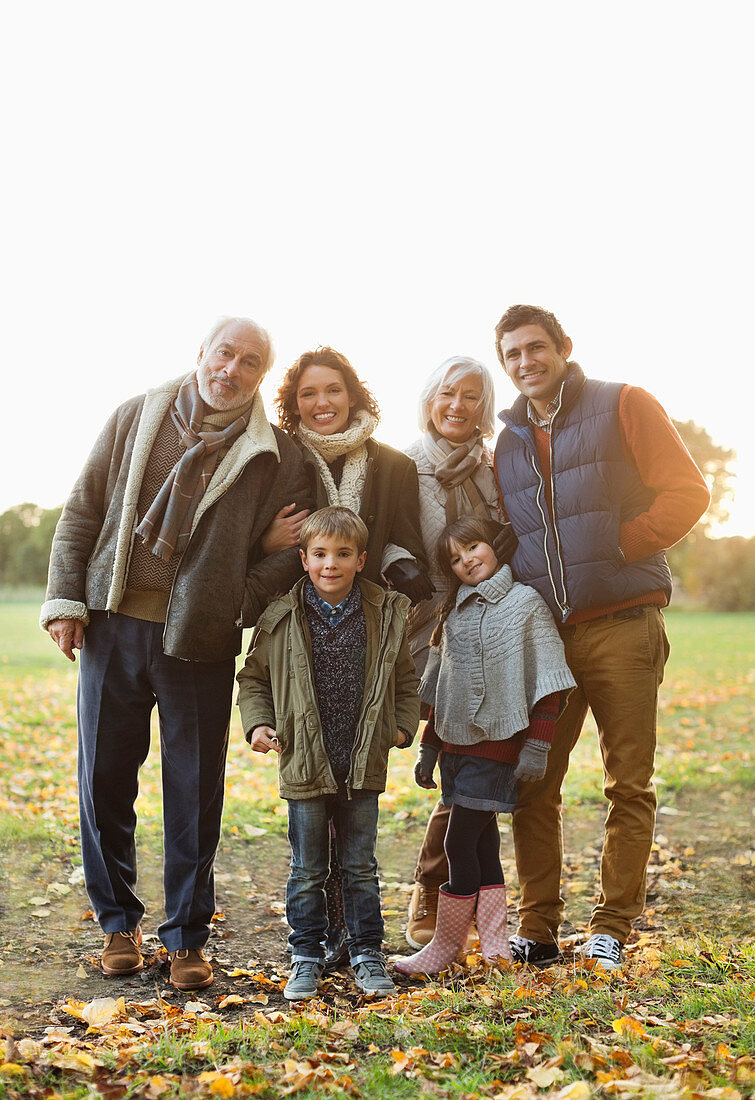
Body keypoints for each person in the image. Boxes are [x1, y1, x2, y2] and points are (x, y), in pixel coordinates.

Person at [40, 316, 312, 991]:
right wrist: (67, 602)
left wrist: (236, 600)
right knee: (104, 781)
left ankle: (188, 937)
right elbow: (82, 510)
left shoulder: (278, 455)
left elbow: (295, 554)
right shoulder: (137, 417)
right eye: (225, 353)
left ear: (261, 375)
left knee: (194, 792)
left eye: (250, 362)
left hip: (199, 642)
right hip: (113, 627)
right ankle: (117, 927)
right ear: (201, 354)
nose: (232, 370)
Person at [493, 303, 710, 970]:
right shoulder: (504, 442)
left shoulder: (622, 404)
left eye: (535, 347)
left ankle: (610, 925)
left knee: (627, 785)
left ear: (561, 347)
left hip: (622, 627)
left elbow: (685, 492)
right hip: (547, 639)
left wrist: (618, 545)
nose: (525, 362)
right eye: (512, 354)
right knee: (532, 783)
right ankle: (535, 926)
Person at [261, 345, 433, 966]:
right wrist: (275, 540)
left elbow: (400, 539)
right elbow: (263, 535)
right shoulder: (280, 462)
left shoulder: (390, 466)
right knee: (313, 823)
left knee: (355, 824)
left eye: (332, 390)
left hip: (366, 626)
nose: (322, 403)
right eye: (308, 393)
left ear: (353, 395)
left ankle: (353, 942)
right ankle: (320, 941)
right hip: (296, 627)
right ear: (293, 402)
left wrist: (401, 567)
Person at [237, 507, 419, 1000]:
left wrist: (401, 728)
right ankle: (306, 955)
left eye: (342, 554)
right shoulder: (280, 617)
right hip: (303, 761)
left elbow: (405, 680)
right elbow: (252, 680)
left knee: (359, 866)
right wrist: (257, 724)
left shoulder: (384, 613)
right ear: (303, 559)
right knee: (307, 869)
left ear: (361, 560)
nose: (330, 564)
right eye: (319, 554)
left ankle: (366, 951)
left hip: (360, 764)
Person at [395, 516, 575, 976]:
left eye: (472, 547)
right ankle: (495, 948)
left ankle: (445, 946)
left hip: (500, 747)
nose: (466, 561)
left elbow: (549, 682)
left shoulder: (524, 604)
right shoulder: (454, 612)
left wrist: (538, 745)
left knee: (458, 842)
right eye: (454, 558)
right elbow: (443, 690)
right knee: (483, 847)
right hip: (457, 750)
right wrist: (430, 748)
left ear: (493, 546)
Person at [403, 357, 517, 949]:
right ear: (430, 399)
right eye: (448, 392)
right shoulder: (403, 464)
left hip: (481, 629)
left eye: (473, 396)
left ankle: (435, 891)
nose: (458, 405)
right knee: (445, 755)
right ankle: (442, 898)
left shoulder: (495, 469)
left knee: (472, 760)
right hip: (417, 626)